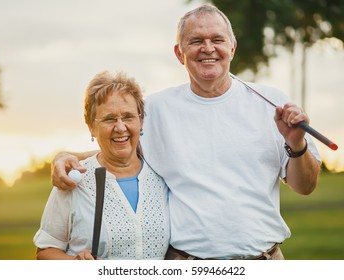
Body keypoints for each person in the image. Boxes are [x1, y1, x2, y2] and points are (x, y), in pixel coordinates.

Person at [51, 4, 321, 260]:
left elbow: (305, 186)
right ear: (179, 53)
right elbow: (120, 148)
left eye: (217, 39)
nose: (208, 48)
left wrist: (296, 144)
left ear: (232, 47)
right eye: (195, 41)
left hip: (265, 260)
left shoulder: (272, 102)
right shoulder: (156, 109)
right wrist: (67, 155)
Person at [33, 70, 170, 260]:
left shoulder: (162, 174)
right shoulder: (74, 180)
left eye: (128, 117)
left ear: (141, 121)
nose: (120, 127)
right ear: (91, 126)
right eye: (109, 119)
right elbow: (45, 250)